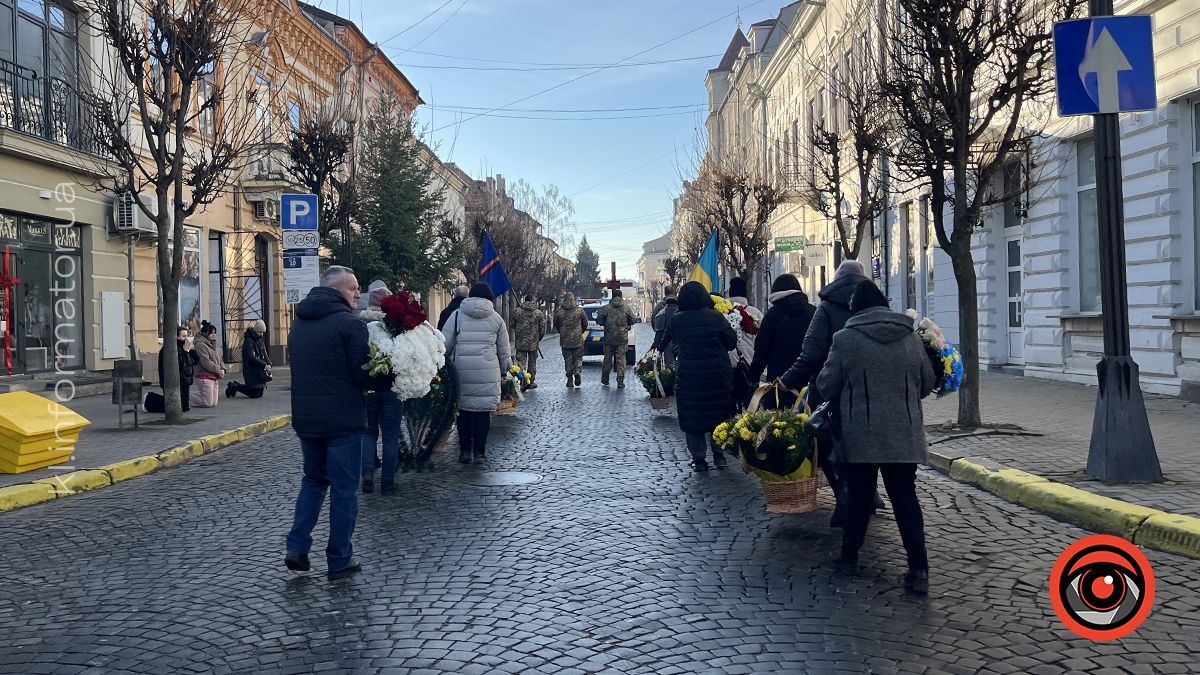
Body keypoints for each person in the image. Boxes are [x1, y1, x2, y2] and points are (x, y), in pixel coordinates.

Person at [817, 280, 936, 596]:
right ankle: (919, 569)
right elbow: (927, 382)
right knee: (905, 500)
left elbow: (827, 385)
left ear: (854, 308)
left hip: (860, 435)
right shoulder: (910, 337)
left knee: (859, 497)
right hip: (904, 433)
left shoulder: (846, 340)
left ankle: (849, 557)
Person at [285, 265, 393, 581]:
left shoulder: (299, 324)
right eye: (352, 288)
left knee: (314, 481)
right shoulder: (350, 324)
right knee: (344, 490)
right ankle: (339, 559)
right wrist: (390, 377)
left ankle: (297, 547)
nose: (357, 294)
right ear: (335, 290)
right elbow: (363, 374)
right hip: (344, 421)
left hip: (307, 420)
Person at [778, 259, 876, 523]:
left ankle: (844, 494)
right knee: (867, 442)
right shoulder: (876, 304)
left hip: (831, 389)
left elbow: (811, 353)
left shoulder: (827, 307)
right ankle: (869, 494)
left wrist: (787, 380)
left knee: (826, 442)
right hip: (872, 389)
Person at [653, 281, 737, 471]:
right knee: (719, 413)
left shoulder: (678, 319)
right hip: (718, 375)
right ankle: (719, 454)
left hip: (690, 376)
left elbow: (663, 341)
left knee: (693, 416)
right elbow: (731, 341)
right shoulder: (716, 317)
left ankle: (699, 458)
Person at [444, 282, 512, 464]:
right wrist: (505, 371)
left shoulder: (456, 315)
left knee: (463, 411)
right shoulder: (497, 319)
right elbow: (504, 350)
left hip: (461, 372)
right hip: (487, 372)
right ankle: (480, 453)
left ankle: (465, 451)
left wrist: (444, 366)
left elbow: (444, 344)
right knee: (482, 413)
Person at [358, 284, 404, 496]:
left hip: (368, 389)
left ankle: (367, 473)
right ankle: (388, 482)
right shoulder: (394, 325)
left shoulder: (359, 323)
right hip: (393, 388)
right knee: (391, 436)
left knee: (368, 433)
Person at [746, 274, 816, 408]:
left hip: (779, 383)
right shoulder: (815, 313)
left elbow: (762, 351)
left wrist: (752, 377)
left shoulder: (772, 315)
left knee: (779, 425)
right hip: (809, 383)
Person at [144, 326, 195, 413]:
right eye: (183, 336)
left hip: (185, 380)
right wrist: (186, 352)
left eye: (187, 336)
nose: (186, 339)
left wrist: (189, 351)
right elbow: (181, 363)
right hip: (174, 380)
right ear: (176, 337)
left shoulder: (184, 347)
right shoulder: (169, 349)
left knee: (184, 407)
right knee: (175, 406)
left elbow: (192, 361)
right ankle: (149, 399)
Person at [596, 289, 635, 388]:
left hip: (609, 338)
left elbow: (599, 320)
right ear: (621, 297)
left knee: (607, 359)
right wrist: (627, 324)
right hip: (622, 339)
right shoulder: (627, 308)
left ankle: (605, 379)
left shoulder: (606, 308)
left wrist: (605, 324)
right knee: (621, 360)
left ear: (612, 297)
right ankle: (620, 381)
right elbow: (633, 320)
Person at [226, 320, 271, 399]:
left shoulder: (260, 340)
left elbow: (264, 352)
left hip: (259, 369)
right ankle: (235, 386)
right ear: (255, 330)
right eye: (260, 332)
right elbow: (250, 357)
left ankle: (235, 386)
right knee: (255, 393)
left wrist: (269, 363)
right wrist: (264, 364)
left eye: (263, 332)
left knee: (258, 393)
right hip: (251, 370)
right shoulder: (249, 341)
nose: (261, 334)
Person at [554, 292, 588, 388]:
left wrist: (562, 332)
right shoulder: (579, 311)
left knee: (567, 359)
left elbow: (556, 323)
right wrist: (581, 331)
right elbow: (585, 322)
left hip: (565, 340)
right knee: (578, 357)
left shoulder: (559, 312)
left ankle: (569, 379)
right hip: (577, 339)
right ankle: (577, 371)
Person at [511, 294, 546, 389]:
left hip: (520, 342)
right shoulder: (538, 313)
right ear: (533, 300)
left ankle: (522, 381)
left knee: (520, 363)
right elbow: (542, 329)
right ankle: (531, 381)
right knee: (532, 363)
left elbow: (512, 325)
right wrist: (538, 338)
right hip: (533, 343)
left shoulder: (517, 312)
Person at [189, 320, 224, 408]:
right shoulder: (200, 345)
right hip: (204, 376)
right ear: (204, 333)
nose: (214, 335)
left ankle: (203, 394)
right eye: (211, 333)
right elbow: (205, 361)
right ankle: (185, 394)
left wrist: (223, 369)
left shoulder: (213, 344)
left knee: (213, 403)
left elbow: (219, 358)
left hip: (214, 376)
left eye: (214, 333)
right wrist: (218, 369)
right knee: (207, 403)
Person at [651, 285, 679, 368]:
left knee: (668, 364)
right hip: (680, 340)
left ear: (665, 293)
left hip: (664, 341)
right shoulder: (681, 305)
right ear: (674, 293)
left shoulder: (659, 307)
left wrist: (656, 344)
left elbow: (655, 324)